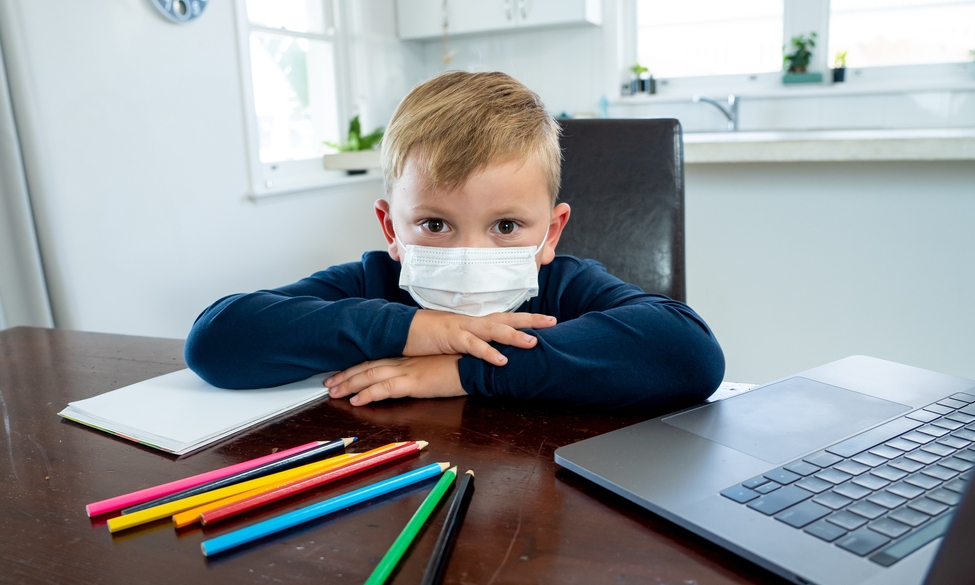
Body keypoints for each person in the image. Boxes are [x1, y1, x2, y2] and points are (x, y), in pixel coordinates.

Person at [185, 71, 724, 410]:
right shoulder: (373, 282)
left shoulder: (565, 286)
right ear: (392, 229)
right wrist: (421, 329)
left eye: (506, 227)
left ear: (550, 231)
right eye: (436, 225)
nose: (472, 255)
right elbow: (216, 340)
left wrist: (464, 370)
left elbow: (689, 354)